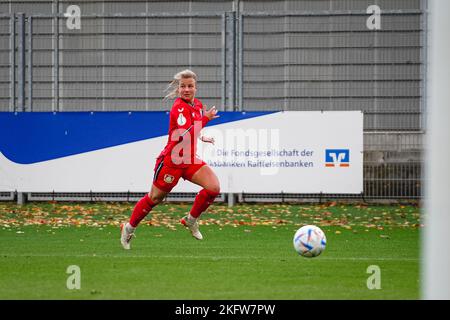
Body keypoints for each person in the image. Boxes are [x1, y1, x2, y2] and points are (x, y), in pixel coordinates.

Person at [120, 69, 220, 249]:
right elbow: (184, 135)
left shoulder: (197, 105)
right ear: (178, 88)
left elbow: (194, 127)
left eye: (190, 86)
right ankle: (128, 228)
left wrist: (202, 136)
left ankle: (191, 220)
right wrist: (205, 120)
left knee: (213, 187)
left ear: (196, 88)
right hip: (172, 162)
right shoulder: (178, 108)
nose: (186, 89)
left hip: (189, 161)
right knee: (154, 199)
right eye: (183, 86)